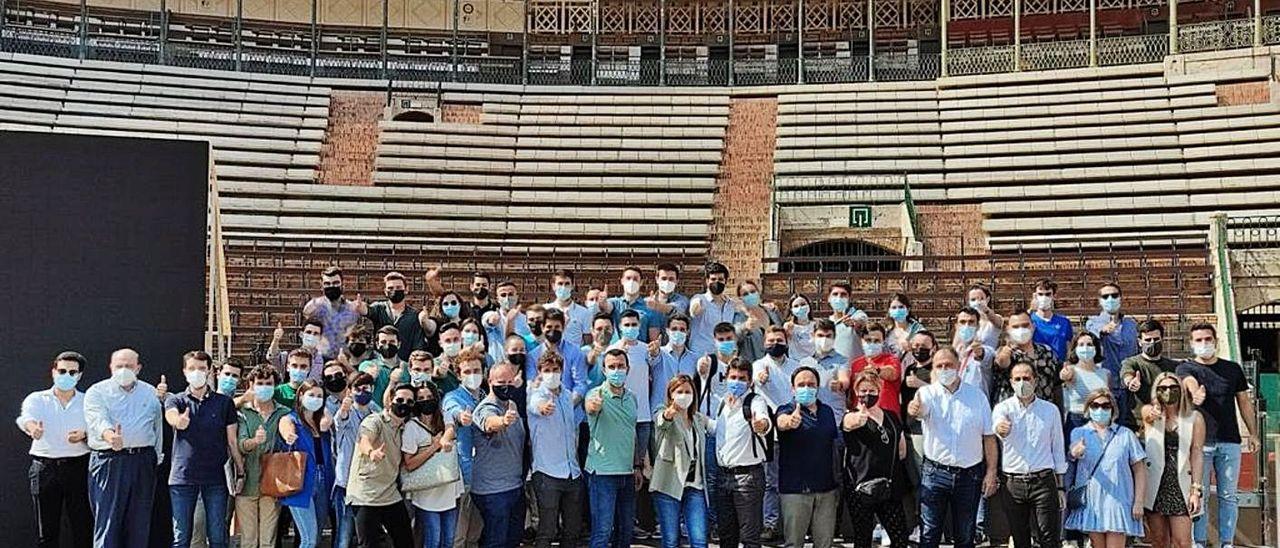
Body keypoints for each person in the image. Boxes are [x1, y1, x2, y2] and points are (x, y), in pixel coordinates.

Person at [1175, 323, 1259, 548]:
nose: (1204, 344)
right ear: (1192, 344)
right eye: (1199, 340)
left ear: (1216, 341)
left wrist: (1253, 434)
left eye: (1207, 339)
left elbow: (1244, 402)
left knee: (1228, 496)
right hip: (1200, 445)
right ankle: (1199, 541)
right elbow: (1188, 382)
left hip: (1230, 441)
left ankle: (1226, 542)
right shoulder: (1186, 368)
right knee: (1198, 494)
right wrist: (1195, 393)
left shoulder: (1232, 369)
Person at [906, 346, 999, 548]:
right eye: (939, 366)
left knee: (965, 535)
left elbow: (989, 437)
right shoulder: (927, 393)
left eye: (948, 365)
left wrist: (991, 472)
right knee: (929, 533)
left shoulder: (977, 397)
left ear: (958, 366)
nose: (944, 369)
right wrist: (914, 409)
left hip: (970, 474)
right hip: (935, 473)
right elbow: (918, 409)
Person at [83, 348, 164, 548]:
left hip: (142, 461)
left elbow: (157, 426)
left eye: (128, 366)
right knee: (108, 522)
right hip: (109, 461)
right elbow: (97, 420)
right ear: (111, 367)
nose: (124, 370)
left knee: (139, 524)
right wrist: (111, 437)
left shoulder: (150, 393)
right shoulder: (97, 391)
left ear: (138, 368)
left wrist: (156, 456)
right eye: (119, 366)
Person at [166, 351, 241, 548]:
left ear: (209, 371)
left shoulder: (224, 403)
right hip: (182, 478)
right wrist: (179, 422)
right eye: (192, 368)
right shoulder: (177, 400)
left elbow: (232, 441)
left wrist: (241, 471)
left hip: (215, 479)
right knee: (181, 537)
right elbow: (171, 416)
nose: (197, 372)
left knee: (217, 536)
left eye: (201, 368)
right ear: (184, 371)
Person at [18, 351, 92, 548]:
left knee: (82, 526)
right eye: (62, 371)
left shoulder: (87, 400)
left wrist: (84, 435)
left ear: (79, 375)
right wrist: (33, 428)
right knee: (47, 530)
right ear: (53, 372)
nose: (66, 376)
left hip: (78, 467)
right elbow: (26, 418)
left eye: (72, 372)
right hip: (45, 468)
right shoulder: (37, 398)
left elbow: (98, 427)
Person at [992, 362, 1067, 548]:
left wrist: (1060, 487)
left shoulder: (1050, 410)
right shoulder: (1003, 408)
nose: (1022, 382)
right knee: (1020, 538)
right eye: (1017, 379)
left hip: (1043, 480)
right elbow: (997, 426)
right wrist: (1000, 428)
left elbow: (1057, 448)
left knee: (1048, 536)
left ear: (1035, 381)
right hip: (1013, 482)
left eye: (1026, 378)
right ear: (1011, 382)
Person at [1064, 389, 1148, 547]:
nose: (1100, 409)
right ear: (1088, 408)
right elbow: (1071, 458)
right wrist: (1073, 453)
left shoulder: (1126, 434)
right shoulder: (1079, 432)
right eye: (1095, 405)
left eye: (1105, 405)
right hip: (1092, 502)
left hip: (1119, 501)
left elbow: (1139, 469)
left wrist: (1139, 501)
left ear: (1112, 408)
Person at [842, 370, 909, 548]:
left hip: (888, 485)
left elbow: (901, 450)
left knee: (900, 536)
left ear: (879, 390)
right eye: (863, 391)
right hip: (860, 486)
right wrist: (859, 420)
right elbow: (849, 424)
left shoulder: (891, 416)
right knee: (863, 537)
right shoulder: (851, 414)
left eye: (872, 390)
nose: (867, 395)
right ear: (856, 392)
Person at [774, 366, 840, 548]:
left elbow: (833, 443)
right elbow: (781, 422)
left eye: (811, 384)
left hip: (826, 490)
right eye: (801, 384)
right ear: (793, 389)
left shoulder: (827, 412)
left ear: (818, 387)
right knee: (794, 543)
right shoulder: (786, 409)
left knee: (825, 543)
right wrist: (789, 422)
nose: (806, 388)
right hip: (796, 491)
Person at [525, 351, 584, 548]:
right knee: (547, 531)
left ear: (562, 370)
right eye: (547, 370)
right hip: (547, 473)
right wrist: (543, 407)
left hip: (572, 473)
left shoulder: (567, 396)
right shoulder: (535, 395)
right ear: (540, 372)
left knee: (573, 530)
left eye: (555, 370)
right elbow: (536, 406)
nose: (552, 374)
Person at [347, 384, 416, 548]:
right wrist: (371, 452)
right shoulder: (374, 420)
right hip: (366, 495)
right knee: (369, 544)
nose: (404, 404)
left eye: (409, 401)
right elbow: (364, 439)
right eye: (400, 400)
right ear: (391, 400)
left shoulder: (406, 428)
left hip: (390, 494)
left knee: (405, 541)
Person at [713, 357, 773, 548]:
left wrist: (761, 425)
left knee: (749, 537)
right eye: (733, 377)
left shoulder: (755, 401)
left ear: (749, 382)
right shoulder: (722, 403)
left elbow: (764, 420)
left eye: (741, 378)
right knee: (726, 534)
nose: (736, 381)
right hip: (723, 476)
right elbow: (718, 429)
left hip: (748, 478)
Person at [1142, 372, 1205, 548]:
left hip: (1181, 483)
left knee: (1182, 541)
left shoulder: (1194, 418)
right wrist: (1155, 413)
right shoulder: (1151, 413)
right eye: (1163, 388)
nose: (1168, 391)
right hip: (1155, 484)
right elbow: (1147, 417)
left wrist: (1196, 490)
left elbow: (1197, 453)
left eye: (1173, 387)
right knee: (1159, 540)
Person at [584, 349, 640, 548]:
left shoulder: (632, 398)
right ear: (604, 370)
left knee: (625, 532)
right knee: (602, 532)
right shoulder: (596, 394)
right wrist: (593, 406)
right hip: (602, 474)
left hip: (627, 473)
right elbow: (591, 407)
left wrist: (637, 466)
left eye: (621, 366)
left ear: (628, 368)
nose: (617, 370)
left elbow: (631, 432)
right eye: (612, 367)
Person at [472, 362, 528, 548]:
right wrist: (503, 422)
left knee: (513, 540)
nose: (506, 386)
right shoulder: (484, 407)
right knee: (496, 542)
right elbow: (489, 423)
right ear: (490, 382)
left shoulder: (511, 404)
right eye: (501, 382)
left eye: (510, 382)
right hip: (493, 491)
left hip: (514, 486)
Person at [401, 381, 463, 548]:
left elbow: (450, 429)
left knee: (448, 540)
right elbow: (409, 464)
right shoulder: (411, 427)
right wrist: (434, 447)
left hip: (449, 487)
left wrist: (444, 440)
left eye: (429, 397)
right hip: (426, 491)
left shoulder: (444, 416)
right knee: (433, 541)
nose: (426, 400)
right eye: (421, 398)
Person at [651, 375, 710, 548]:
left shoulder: (698, 419)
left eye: (687, 392)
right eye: (679, 392)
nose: (684, 395)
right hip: (669, 484)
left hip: (695, 486)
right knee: (671, 540)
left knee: (699, 540)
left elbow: (717, 427)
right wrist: (670, 412)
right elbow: (662, 421)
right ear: (671, 395)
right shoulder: (662, 411)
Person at [236, 366, 291, 548]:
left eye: (269, 384)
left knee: (268, 540)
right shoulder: (243, 412)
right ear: (251, 385)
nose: (264, 387)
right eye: (260, 383)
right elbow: (241, 444)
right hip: (246, 483)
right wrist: (255, 441)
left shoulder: (282, 412)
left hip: (272, 483)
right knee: (249, 540)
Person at [750, 324, 796, 539]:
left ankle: (791, 524)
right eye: (771, 341)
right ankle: (770, 523)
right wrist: (760, 379)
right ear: (764, 343)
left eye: (779, 340)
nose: (775, 344)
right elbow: (754, 385)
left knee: (791, 481)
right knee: (770, 482)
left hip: (794, 430)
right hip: (769, 432)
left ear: (786, 342)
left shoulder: (795, 366)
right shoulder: (758, 365)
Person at [442, 349, 487, 548]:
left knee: (475, 533)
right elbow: (452, 411)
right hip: (464, 472)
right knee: (458, 534)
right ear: (459, 375)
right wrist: (462, 417)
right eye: (467, 372)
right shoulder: (453, 397)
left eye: (476, 370)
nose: (472, 375)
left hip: (486, 475)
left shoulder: (487, 396)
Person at [280, 380, 331, 548]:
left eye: (319, 396)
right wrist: (289, 435)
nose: (316, 399)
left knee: (316, 537)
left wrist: (327, 413)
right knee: (308, 538)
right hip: (300, 480)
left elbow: (330, 421)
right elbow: (286, 427)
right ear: (301, 396)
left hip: (323, 480)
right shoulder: (291, 418)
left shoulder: (321, 422)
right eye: (311, 395)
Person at [331, 371, 380, 548]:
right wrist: (344, 408)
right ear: (350, 391)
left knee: (366, 533)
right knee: (344, 533)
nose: (362, 392)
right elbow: (339, 421)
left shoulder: (376, 410)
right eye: (357, 389)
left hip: (370, 481)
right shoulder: (345, 412)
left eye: (365, 388)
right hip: (347, 482)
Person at [1085, 281, 1140, 418]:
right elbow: (1094, 335)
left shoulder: (1131, 324)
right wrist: (1103, 331)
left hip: (1128, 387)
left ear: (1121, 298)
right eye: (1105, 296)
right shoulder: (1093, 322)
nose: (1110, 299)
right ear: (1100, 301)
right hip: (1105, 387)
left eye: (1114, 295)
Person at [993, 310, 1063, 407]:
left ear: (1033, 327)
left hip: (1044, 413)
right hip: (1013, 414)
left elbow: (1056, 386)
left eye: (1025, 325)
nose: (1021, 330)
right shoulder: (1004, 353)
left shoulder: (1047, 352)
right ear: (1008, 329)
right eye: (1016, 327)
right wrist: (1005, 352)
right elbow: (1001, 363)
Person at [1121, 319, 1180, 429]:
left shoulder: (1174, 366)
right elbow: (1127, 373)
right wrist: (1131, 382)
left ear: (1162, 339)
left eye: (1156, 339)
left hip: (1166, 425)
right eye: (1148, 340)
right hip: (1140, 426)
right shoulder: (1132, 362)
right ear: (1139, 342)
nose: (1152, 343)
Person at [365, 271, 436, 360]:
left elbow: (418, 347)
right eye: (390, 288)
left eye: (398, 287)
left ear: (406, 289)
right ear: (385, 292)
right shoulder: (379, 309)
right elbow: (366, 310)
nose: (394, 290)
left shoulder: (414, 316)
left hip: (405, 366)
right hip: (381, 364)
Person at [302, 266, 367, 360]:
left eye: (335, 283)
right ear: (322, 285)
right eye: (327, 283)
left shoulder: (352, 309)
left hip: (344, 360)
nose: (331, 286)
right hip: (319, 359)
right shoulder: (313, 307)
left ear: (342, 284)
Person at [1062, 331, 1111, 437]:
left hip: (1100, 422)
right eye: (1081, 345)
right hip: (1076, 421)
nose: (1085, 348)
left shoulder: (1105, 373)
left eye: (1089, 344)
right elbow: (1064, 376)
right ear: (1075, 349)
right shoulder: (1071, 370)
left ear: (1096, 348)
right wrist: (1064, 375)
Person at [848, 322, 902, 417]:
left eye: (876, 341)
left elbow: (892, 373)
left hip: (888, 416)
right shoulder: (855, 364)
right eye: (868, 340)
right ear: (861, 341)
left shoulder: (892, 360)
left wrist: (877, 370)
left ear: (883, 341)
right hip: (862, 416)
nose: (872, 344)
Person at [599, 266, 660, 342]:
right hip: (618, 351)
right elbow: (606, 308)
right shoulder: (615, 303)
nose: (632, 281)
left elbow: (654, 338)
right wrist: (602, 302)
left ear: (641, 282)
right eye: (628, 278)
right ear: (622, 281)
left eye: (635, 279)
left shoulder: (649, 307)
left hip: (639, 350)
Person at [689, 261, 737, 356]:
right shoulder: (700, 299)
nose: (717, 282)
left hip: (722, 356)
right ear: (707, 281)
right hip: (701, 354)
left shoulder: (731, 304)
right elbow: (694, 310)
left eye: (720, 279)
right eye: (713, 279)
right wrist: (696, 309)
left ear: (725, 281)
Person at [952, 306, 995, 399]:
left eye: (971, 322)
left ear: (978, 326)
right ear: (956, 326)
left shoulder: (987, 350)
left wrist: (979, 352)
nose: (966, 326)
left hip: (977, 406)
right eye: (962, 322)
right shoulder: (954, 352)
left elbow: (985, 357)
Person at [734, 280, 781, 365]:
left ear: (758, 292)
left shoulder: (771, 311)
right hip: (752, 365)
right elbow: (733, 337)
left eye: (753, 292)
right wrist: (744, 327)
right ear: (740, 298)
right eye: (745, 294)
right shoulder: (739, 316)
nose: (750, 295)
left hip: (776, 363)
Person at [545, 269, 594, 347]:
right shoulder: (545, 310)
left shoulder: (584, 313)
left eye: (567, 284)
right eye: (560, 284)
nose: (563, 287)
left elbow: (587, 341)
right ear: (553, 286)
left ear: (572, 286)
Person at [358, 325, 405, 406]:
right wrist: (369, 376)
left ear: (399, 344)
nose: (387, 345)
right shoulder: (367, 365)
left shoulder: (406, 367)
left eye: (392, 342)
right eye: (383, 342)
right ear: (377, 344)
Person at [1029, 279, 1073, 361]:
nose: (1044, 297)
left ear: (1054, 296)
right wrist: (1031, 309)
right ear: (1035, 296)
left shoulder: (1064, 322)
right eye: (1040, 294)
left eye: (1048, 294)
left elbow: (1068, 348)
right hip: (1037, 366)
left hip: (1059, 367)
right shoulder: (1029, 320)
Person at [827, 282, 867, 362]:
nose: (839, 298)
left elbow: (861, 321)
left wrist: (854, 323)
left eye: (843, 294)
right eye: (835, 294)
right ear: (829, 298)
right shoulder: (828, 322)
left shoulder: (857, 314)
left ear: (849, 298)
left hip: (856, 369)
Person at [884, 293, 926, 357]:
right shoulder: (886, 333)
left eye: (901, 307)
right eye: (894, 307)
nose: (897, 310)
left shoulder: (919, 330)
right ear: (889, 311)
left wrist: (913, 348)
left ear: (908, 309)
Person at [966, 284, 1004, 348]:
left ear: (987, 299)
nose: (977, 302)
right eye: (973, 299)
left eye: (981, 299)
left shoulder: (995, 319)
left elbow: (995, 320)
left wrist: (986, 310)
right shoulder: (966, 321)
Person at [783, 294, 816, 360]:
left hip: (814, 361)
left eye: (803, 304)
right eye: (796, 306)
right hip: (795, 362)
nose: (800, 308)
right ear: (791, 310)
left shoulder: (816, 325)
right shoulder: (788, 326)